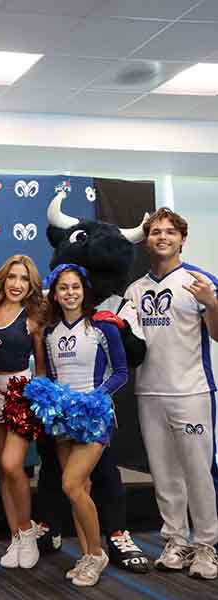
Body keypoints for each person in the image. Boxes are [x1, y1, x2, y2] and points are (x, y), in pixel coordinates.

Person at [125, 208, 218, 579]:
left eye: (169, 231)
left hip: (191, 392)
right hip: (149, 392)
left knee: (198, 471)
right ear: (147, 240)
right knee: (164, 474)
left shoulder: (200, 281)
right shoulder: (135, 290)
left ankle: (207, 545)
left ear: (181, 238)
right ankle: (176, 540)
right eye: (154, 232)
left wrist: (211, 302)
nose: (161, 237)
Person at [42, 264, 128, 587]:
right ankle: (87, 553)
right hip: (64, 420)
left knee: (70, 484)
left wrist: (95, 396)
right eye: (63, 288)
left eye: (75, 287)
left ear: (85, 290)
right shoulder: (51, 334)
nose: (70, 293)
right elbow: (52, 376)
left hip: (95, 416)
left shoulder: (103, 328)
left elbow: (121, 372)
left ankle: (97, 554)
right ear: (56, 293)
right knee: (81, 490)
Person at [0, 255, 46, 569]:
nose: (17, 285)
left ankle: (27, 531)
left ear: (31, 286)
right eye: (13, 277)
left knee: (13, 464)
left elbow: (42, 369)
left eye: (24, 280)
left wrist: (38, 398)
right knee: (3, 470)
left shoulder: (33, 317)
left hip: (20, 391)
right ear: (3, 279)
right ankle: (15, 538)